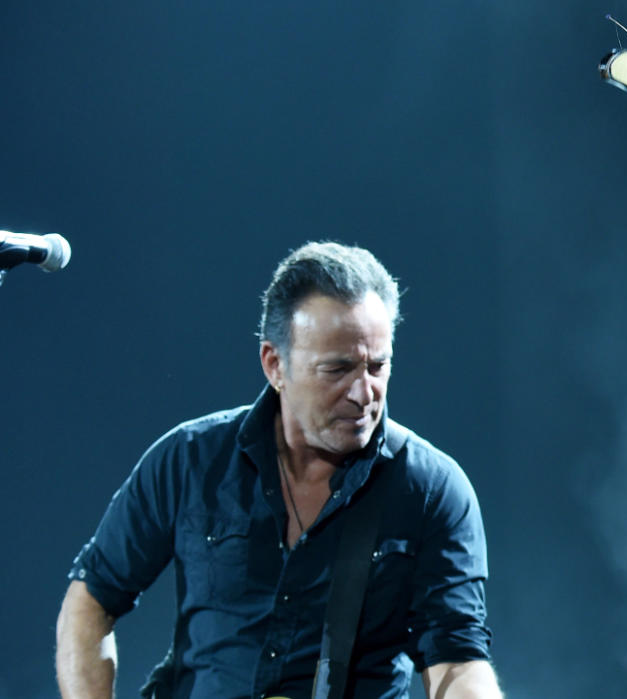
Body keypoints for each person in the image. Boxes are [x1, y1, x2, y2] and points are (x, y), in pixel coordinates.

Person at [55, 242, 502, 698]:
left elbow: (459, 660)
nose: (364, 393)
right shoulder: (189, 460)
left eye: (378, 366)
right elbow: (91, 599)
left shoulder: (429, 489)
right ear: (275, 364)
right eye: (338, 369)